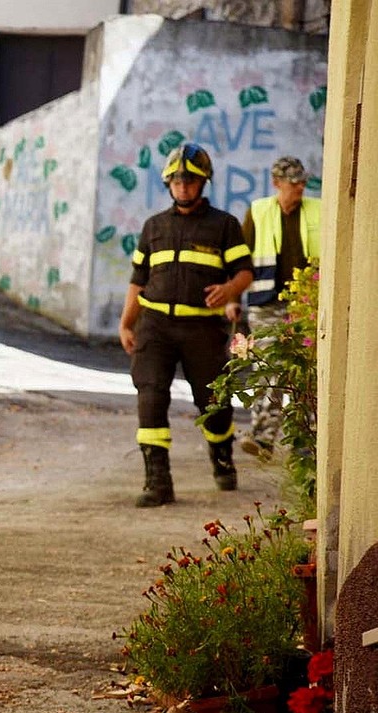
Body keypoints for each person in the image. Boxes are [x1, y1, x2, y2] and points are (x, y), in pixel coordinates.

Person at [118, 142, 254, 508]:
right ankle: (157, 482)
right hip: (155, 327)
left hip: (203, 331)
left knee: (213, 403)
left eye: (190, 181)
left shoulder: (223, 225)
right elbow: (138, 279)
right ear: (168, 184)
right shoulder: (153, 227)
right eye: (177, 181)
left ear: (203, 183)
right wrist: (126, 323)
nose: (183, 187)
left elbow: (244, 273)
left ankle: (222, 458)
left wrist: (228, 290)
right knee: (150, 395)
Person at [233, 155, 321, 460]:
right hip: (266, 302)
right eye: (292, 183)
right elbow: (241, 260)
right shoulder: (258, 212)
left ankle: (306, 444)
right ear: (276, 183)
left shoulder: (318, 210)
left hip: (306, 304)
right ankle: (263, 438)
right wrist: (233, 298)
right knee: (270, 369)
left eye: (302, 183)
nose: (299, 188)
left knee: (306, 372)